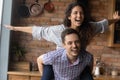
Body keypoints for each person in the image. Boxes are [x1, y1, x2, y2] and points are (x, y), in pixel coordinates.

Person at [4, 1, 120, 80]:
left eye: (81, 13)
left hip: (78, 61)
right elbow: (38, 30)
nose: (79, 15)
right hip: (58, 61)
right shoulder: (58, 30)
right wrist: (15, 28)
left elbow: (103, 24)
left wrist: (115, 20)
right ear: (69, 16)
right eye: (75, 13)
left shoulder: (89, 27)